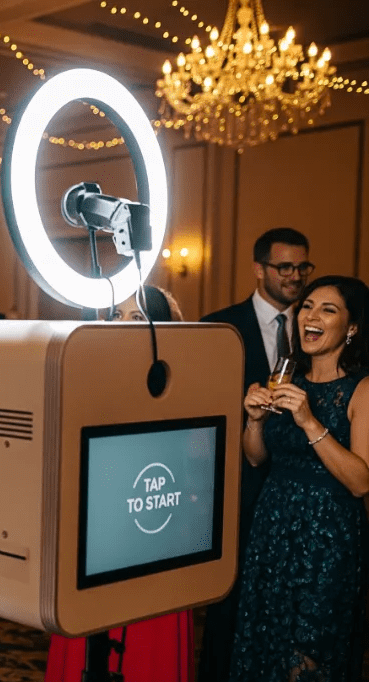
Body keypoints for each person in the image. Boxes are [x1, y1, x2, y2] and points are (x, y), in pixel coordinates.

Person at [46, 284, 193, 682]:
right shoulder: (80, 377)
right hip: (93, 541)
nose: (123, 326)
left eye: (137, 318)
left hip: (155, 540)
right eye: (115, 315)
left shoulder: (184, 389)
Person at [230, 275, 369, 681]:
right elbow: (256, 458)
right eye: (307, 306)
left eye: (328, 309)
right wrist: (254, 421)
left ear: (353, 326)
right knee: (264, 644)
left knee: (308, 653)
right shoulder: (288, 378)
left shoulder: (361, 389)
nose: (311, 315)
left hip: (327, 541)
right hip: (272, 531)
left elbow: (361, 481)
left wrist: (310, 423)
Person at [198, 227, 312, 682]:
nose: (295, 276)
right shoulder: (218, 327)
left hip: (298, 493)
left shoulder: (318, 328)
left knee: (291, 611)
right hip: (235, 490)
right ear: (259, 269)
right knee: (230, 607)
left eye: (303, 267)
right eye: (285, 267)